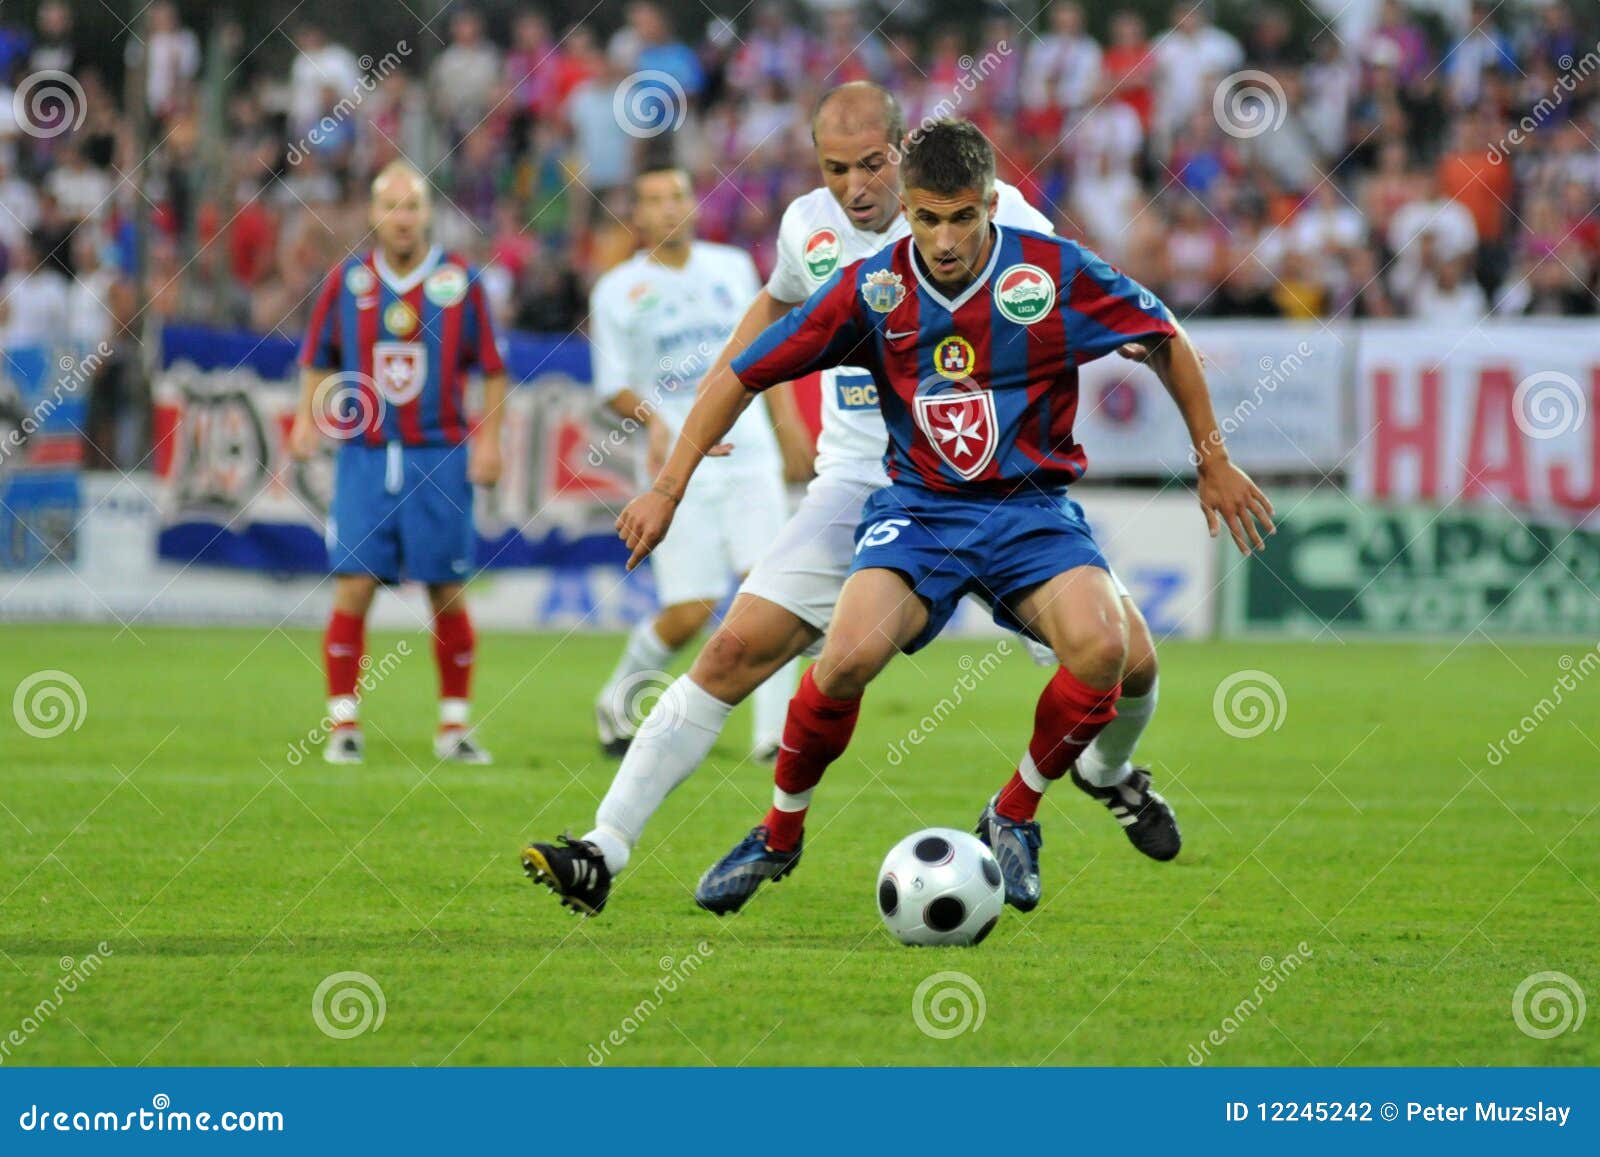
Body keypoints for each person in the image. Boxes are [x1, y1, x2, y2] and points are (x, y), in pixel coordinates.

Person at [521, 87, 1174, 917]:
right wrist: (690, 440)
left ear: (904, 156)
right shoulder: (809, 227)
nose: (857, 187)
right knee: (732, 652)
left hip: (1003, 491)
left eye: (872, 165)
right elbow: (771, 316)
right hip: (863, 482)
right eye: (836, 169)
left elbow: (1084, 318)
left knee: (1132, 663)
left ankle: (1106, 773)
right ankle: (602, 849)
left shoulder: (981, 217)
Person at [289, 161, 507, 766]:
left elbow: (492, 369)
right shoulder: (348, 281)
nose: (402, 217)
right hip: (365, 457)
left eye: (411, 206)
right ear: (373, 215)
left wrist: (488, 443)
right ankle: (343, 725)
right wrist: (308, 419)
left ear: (427, 214)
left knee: (447, 589)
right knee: (354, 587)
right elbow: (318, 358)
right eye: (391, 205)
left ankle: (454, 728)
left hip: (440, 455)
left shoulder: (460, 281)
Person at [587, 166, 799, 761]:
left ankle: (772, 736)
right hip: (679, 455)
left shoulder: (733, 267)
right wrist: (656, 420)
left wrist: (791, 433)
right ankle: (617, 699)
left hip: (750, 444)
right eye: (653, 200)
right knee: (691, 610)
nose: (668, 208)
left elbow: (771, 353)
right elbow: (611, 385)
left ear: (692, 205)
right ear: (638, 217)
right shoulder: (615, 290)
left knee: (772, 586)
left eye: (677, 195)